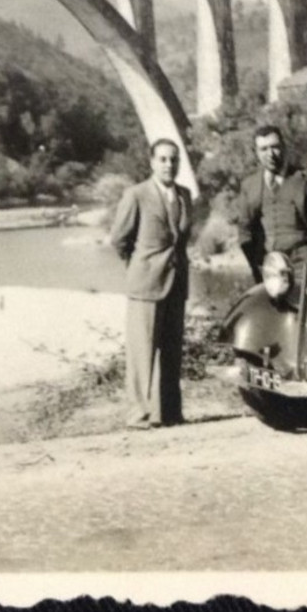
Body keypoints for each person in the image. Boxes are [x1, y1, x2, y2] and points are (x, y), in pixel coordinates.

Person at [109, 138, 192, 429]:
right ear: (152, 162)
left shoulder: (185, 195)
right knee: (141, 353)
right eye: (163, 159)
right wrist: (139, 266)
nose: (169, 165)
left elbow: (181, 240)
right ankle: (138, 414)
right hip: (145, 284)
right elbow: (119, 239)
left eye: (174, 159)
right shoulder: (136, 195)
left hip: (176, 283)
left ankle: (169, 413)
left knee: (171, 352)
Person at [236, 124, 307, 278]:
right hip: (270, 266)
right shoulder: (249, 186)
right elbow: (244, 231)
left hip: (306, 261)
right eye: (263, 149)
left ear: (284, 147)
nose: (270, 154)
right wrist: (256, 265)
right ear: (256, 153)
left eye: (275, 147)